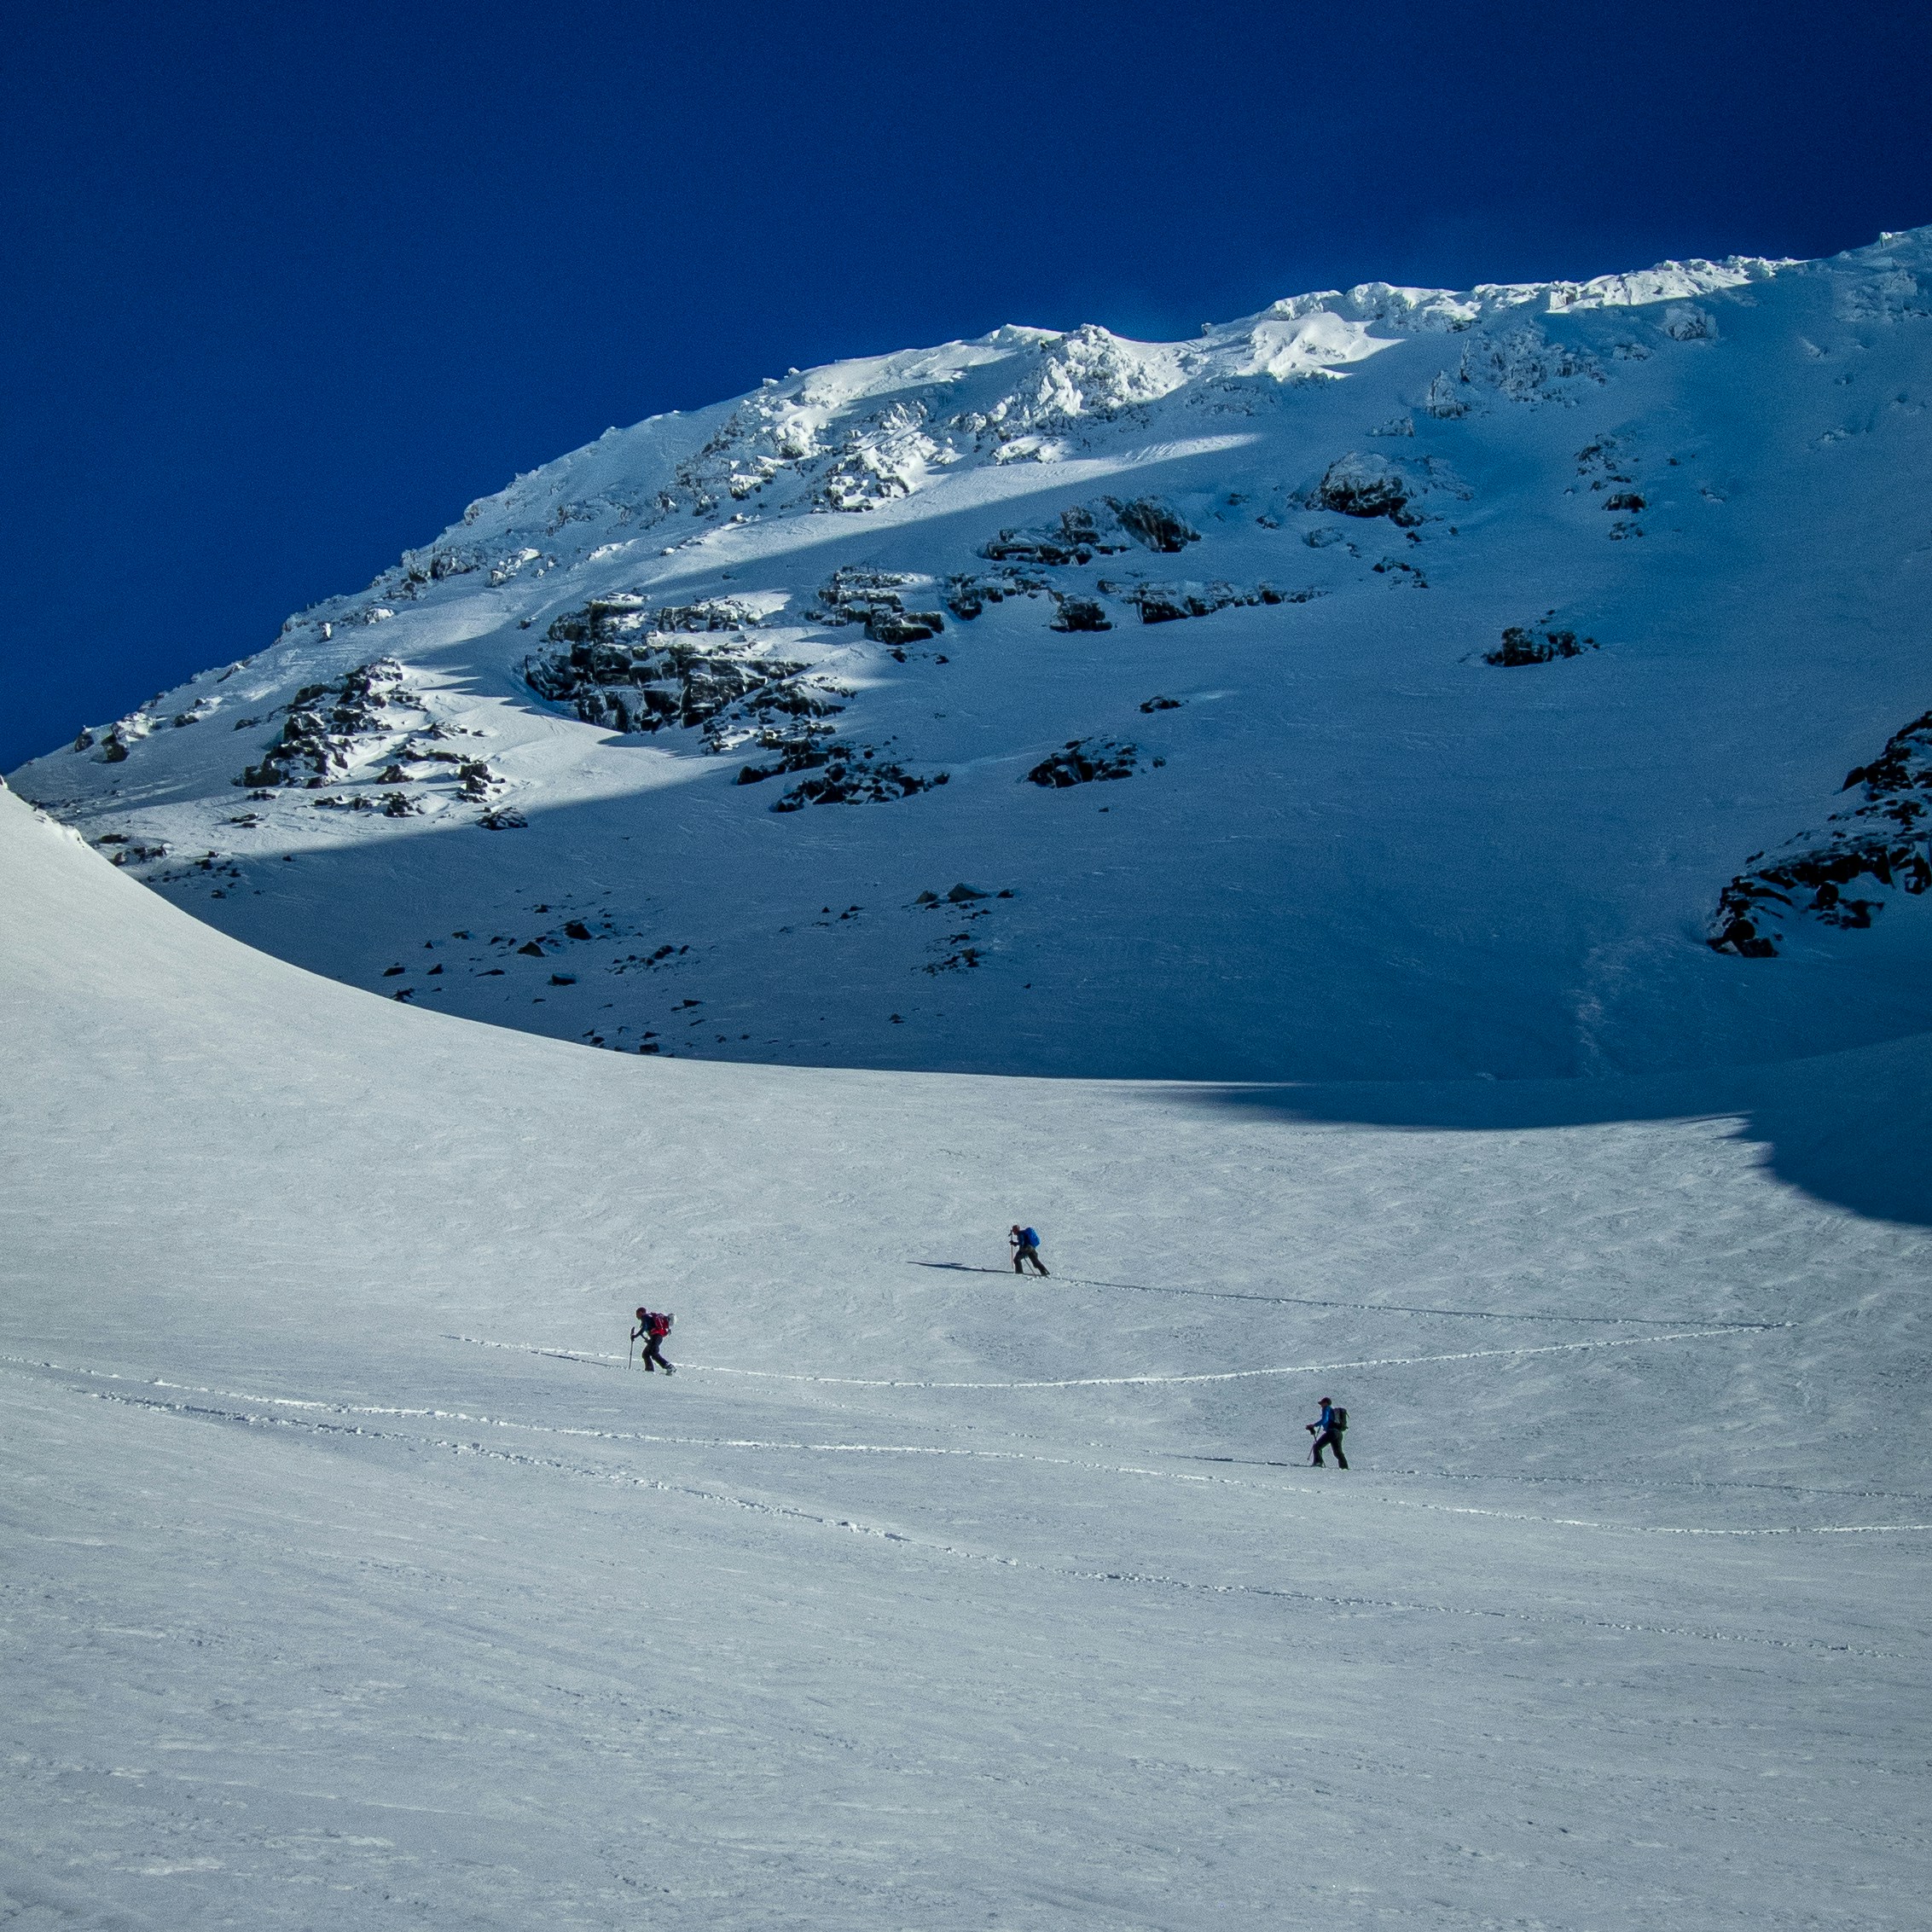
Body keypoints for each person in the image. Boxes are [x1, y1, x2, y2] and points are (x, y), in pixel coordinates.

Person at [632, 1306, 676, 1374]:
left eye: (636, 1313)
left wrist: (635, 1336)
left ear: (640, 1312)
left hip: (656, 1337)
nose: (636, 1315)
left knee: (653, 1353)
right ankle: (649, 1370)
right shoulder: (649, 1317)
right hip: (656, 1337)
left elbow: (644, 1328)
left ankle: (669, 1367)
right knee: (646, 1354)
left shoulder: (644, 1317)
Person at [1307, 1395, 1348, 1468]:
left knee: (1317, 1447)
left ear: (1326, 1403)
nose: (1321, 1406)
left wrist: (1314, 1425)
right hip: (1338, 1433)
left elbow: (1324, 1420)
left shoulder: (1326, 1409)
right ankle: (1344, 1467)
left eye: (1322, 1403)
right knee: (1338, 1453)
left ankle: (1318, 1463)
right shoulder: (1332, 1411)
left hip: (1331, 1432)